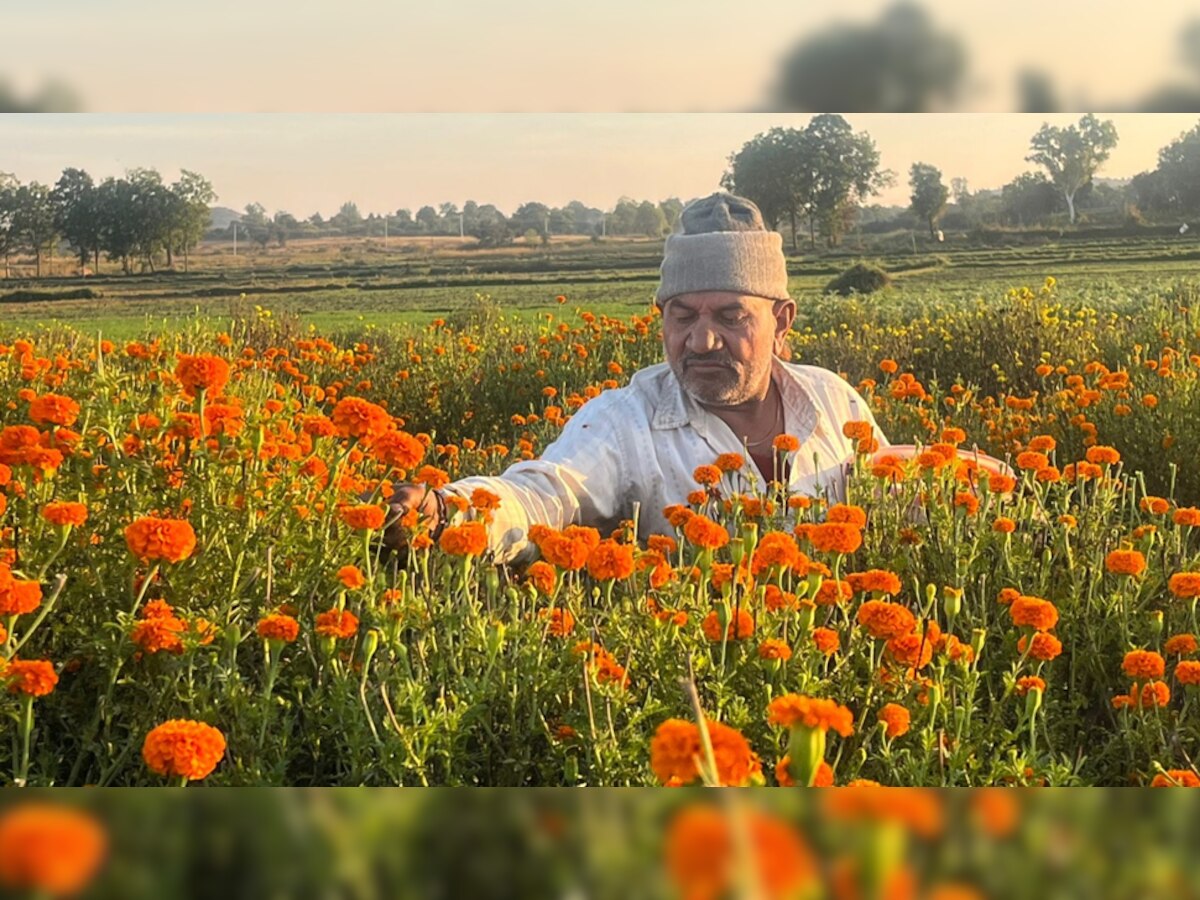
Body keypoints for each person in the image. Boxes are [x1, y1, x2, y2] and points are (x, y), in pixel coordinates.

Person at [383, 192, 889, 564]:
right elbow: (546, 493)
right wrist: (450, 510)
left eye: (730, 317)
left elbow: (898, 503)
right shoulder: (626, 422)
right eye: (683, 316)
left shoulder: (832, 402)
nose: (701, 341)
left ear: (781, 321)